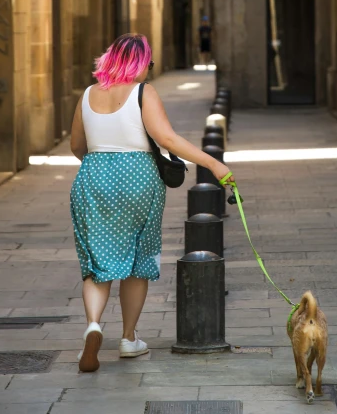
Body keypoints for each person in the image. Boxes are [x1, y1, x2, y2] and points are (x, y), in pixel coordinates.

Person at [69, 33, 233, 372]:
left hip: (93, 176)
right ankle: (129, 338)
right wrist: (213, 163)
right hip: (138, 178)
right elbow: (167, 138)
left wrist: (101, 166)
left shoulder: (87, 95)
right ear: (141, 63)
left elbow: (76, 146)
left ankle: (94, 325)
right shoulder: (144, 92)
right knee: (137, 256)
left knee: (98, 260)